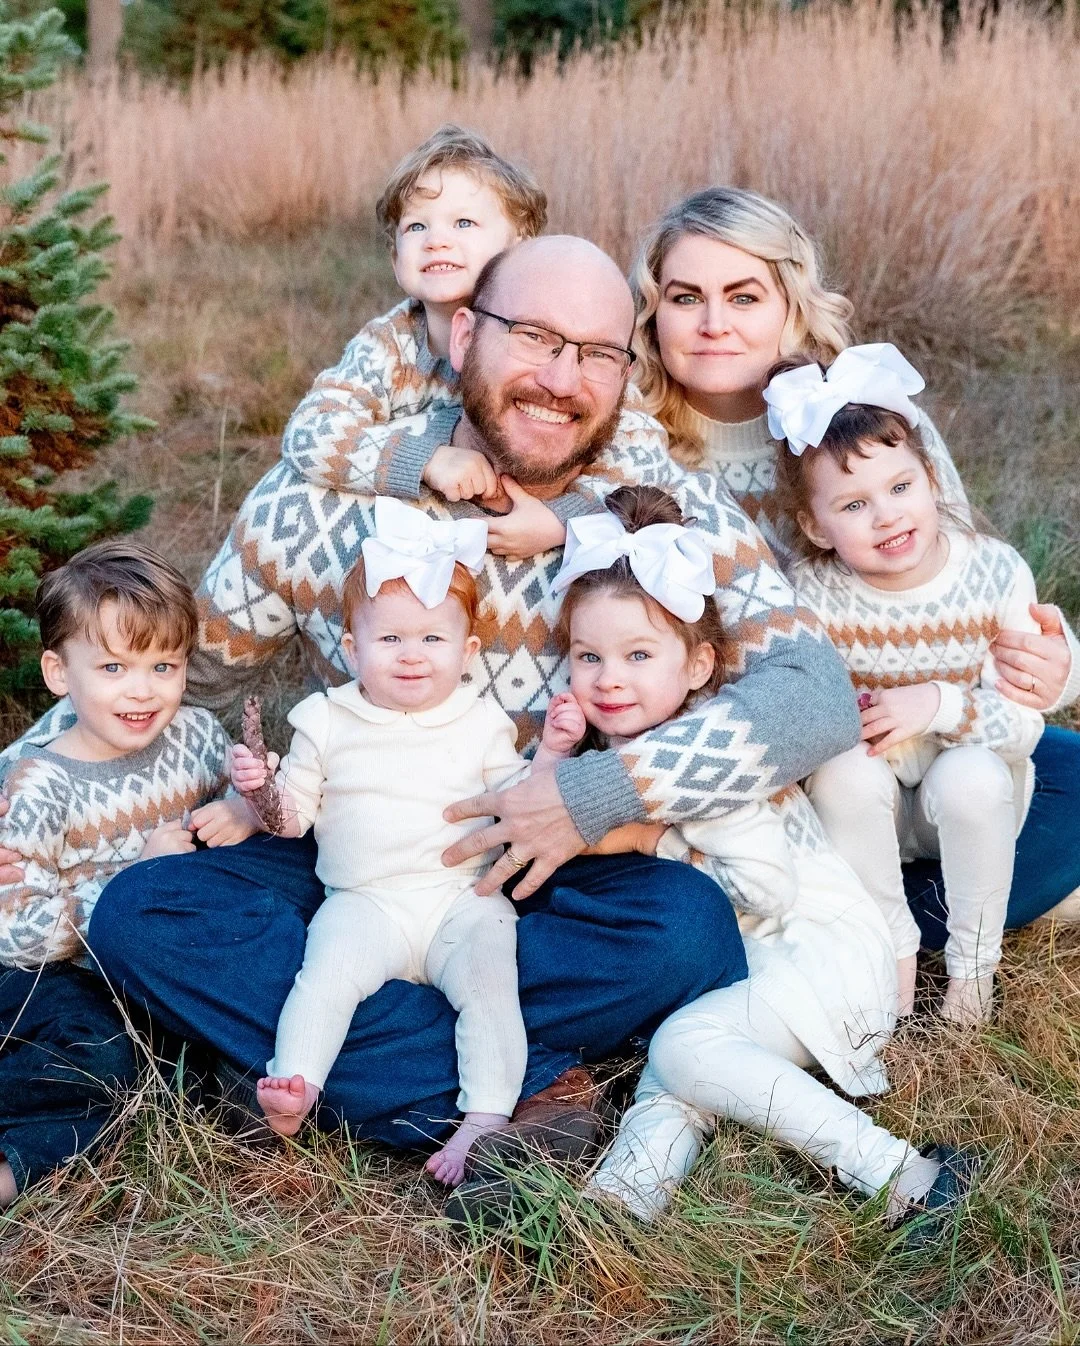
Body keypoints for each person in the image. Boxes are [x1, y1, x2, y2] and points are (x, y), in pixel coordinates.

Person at [0, 235, 856, 1223]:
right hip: (352, 857)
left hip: (544, 868)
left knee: (687, 928)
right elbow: (183, 672)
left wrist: (589, 793)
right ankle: (516, 1086)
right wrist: (39, 778)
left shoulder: (662, 511)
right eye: (533, 336)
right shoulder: (324, 502)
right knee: (141, 914)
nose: (561, 377)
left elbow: (815, 694)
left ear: (627, 370)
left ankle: (308, 1069)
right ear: (463, 333)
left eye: (596, 352)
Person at [626, 185, 1080, 940]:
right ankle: (918, 914)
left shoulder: (868, 418)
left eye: (744, 296)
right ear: (653, 315)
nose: (714, 324)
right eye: (685, 297)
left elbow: (961, 580)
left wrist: (1055, 665)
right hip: (782, 774)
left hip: (924, 748)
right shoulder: (642, 453)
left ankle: (939, 901)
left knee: (1062, 767)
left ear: (790, 304)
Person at [540, 483, 974, 1239]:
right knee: (678, 1072)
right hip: (758, 962)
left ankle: (906, 1174)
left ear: (700, 665)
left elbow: (767, 889)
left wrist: (652, 841)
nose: (610, 677)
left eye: (639, 655)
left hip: (818, 950)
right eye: (588, 656)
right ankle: (619, 1204)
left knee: (686, 1045)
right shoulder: (609, 749)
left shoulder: (707, 756)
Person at [231, 499, 582, 1185]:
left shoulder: (481, 722)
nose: (412, 656)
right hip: (367, 901)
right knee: (323, 975)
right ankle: (295, 1084)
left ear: (468, 651)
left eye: (432, 640)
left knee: (490, 986)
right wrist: (260, 791)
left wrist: (552, 757)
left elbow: (518, 806)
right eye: (389, 640)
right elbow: (292, 816)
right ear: (352, 646)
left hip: (461, 898)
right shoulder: (326, 719)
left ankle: (484, 1113)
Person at [764, 345, 1044, 1024]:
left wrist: (937, 704)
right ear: (814, 526)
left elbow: (1025, 723)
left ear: (931, 478)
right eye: (854, 504)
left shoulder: (993, 572)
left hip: (975, 798)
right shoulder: (816, 591)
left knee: (971, 776)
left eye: (900, 487)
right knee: (842, 770)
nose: (887, 516)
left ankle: (973, 971)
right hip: (872, 804)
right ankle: (892, 949)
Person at [0, 541, 257, 1208]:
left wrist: (246, 807)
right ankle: (11, 1169)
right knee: (103, 1059)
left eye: (163, 665)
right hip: (45, 980)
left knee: (172, 1065)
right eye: (112, 666)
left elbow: (245, 811)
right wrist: (128, 886)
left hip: (139, 975)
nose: (141, 690)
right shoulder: (37, 784)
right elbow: (18, 934)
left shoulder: (197, 736)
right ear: (60, 672)